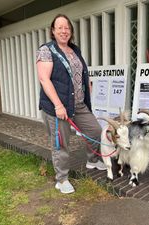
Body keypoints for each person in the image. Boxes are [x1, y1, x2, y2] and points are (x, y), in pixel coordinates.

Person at [36, 14, 106, 194]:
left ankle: (92, 160)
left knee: (95, 131)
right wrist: (59, 105)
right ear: (53, 30)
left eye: (67, 27)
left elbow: (79, 72)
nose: (64, 31)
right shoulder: (46, 50)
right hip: (58, 107)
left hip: (79, 104)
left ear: (71, 31)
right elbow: (44, 79)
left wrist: (86, 84)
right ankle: (62, 179)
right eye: (59, 27)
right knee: (61, 143)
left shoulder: (75, 50)